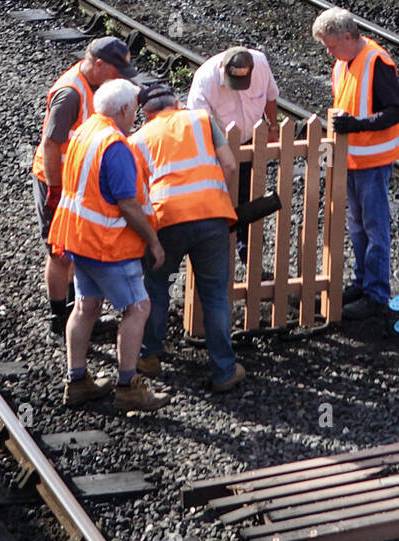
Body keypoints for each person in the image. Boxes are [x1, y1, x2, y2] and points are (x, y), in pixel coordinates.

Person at [47, 78, 167, 412]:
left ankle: (77, 380)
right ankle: (128, 386)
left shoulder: (86, 131)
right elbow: (128, 204)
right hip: (107, 245)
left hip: (78, 239)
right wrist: (153, 242)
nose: (136, 115)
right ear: (126, 108)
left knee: (85, 306)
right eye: (134, 108)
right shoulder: (115, 145)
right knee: (137, 308)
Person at [131, 82, 246, 392]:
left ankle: (150, 356)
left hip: (166, 220)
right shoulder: (202, 120)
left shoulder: (138, 139)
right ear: (177, 103)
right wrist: (218, 197)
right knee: (214, 294)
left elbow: (136, 193)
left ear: (146, 113)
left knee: (156, 286)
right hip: (212, 216)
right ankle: (224, 370)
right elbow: (231, 165)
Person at [31, 37, 139, 338]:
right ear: (100, 65)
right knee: (59, 250)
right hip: (56, 178)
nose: (119, 80)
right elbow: (51, 144)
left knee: (76, 246)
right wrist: (54, 190)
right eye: (116, 73)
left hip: (78, 180)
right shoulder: (70, 94)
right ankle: (58, 315)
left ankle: (73, 309)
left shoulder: (95, 87)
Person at [311, 8, 399, 322]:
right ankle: (362, 282)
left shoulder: (376, 62)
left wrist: (358, 125)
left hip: (374, 159)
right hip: (354, 158)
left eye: (332, 45)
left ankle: (376, 294)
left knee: (374, 227)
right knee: (358, 226)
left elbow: (397, 110)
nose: (329, 52)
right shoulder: (343, 62)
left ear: (348, 37)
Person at [187, 46, 279, 260]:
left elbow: (271, 97)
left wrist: (273, 128)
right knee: (221, 201)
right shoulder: (205, 78)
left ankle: (247, 250)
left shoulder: (261, 63)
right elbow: (198, 122)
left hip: (250, 142)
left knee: (249, 197)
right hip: (217, 146)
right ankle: (218, 254)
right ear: (222, 69)